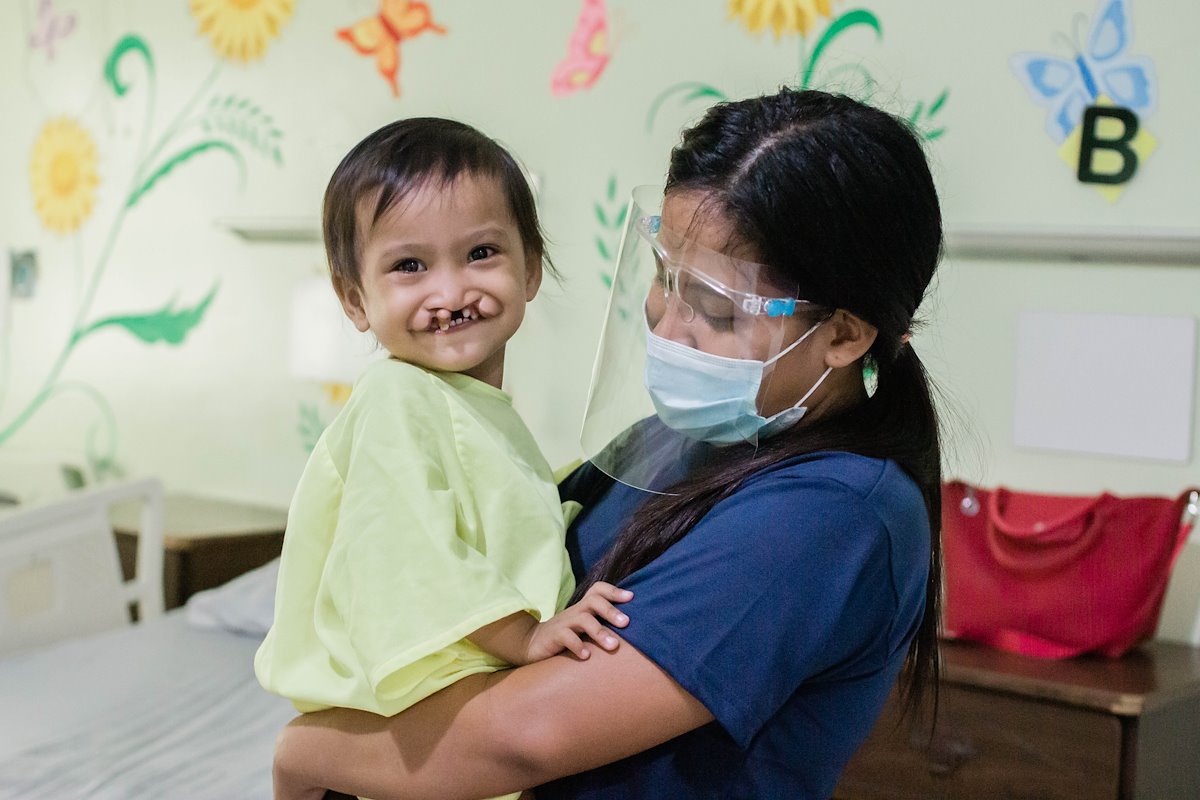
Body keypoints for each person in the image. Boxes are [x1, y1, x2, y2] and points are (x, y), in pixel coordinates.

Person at [270, 87, 945, 800]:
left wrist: (306, 750)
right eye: (663, 275)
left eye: (712, 307)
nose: (665, 321)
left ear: (844, 334)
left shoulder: (829, 516)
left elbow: (527, 735)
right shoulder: (672, 440)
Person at [255, 118, 634, 800]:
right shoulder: (396, 397)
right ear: (354, 299)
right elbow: (410, 549)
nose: (451, 292)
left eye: (481, 252)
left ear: (531, 268)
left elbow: (498, 522)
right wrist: (524, 635)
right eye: (409, 266)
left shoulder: (476, 412)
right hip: (414, 733)